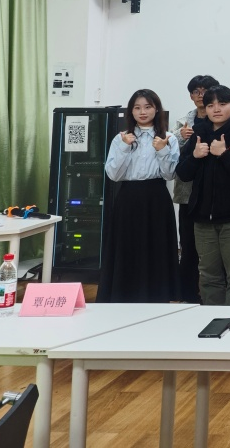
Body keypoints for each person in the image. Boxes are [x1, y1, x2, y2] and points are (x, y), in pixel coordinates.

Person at [175, 85, 230, 306]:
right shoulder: (198, 134)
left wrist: (224, 155)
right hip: (203, 218)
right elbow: (182, 174)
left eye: (222, 104)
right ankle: (212, 319)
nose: (217, 109)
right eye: (211, 105)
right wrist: (194, 156)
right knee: (208, 276)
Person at [99, 89, 179, 303]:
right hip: (128, 198)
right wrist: (125, 147)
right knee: (127, 248)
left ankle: (157, 297)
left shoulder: (169, 138)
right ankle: (122, 296)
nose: (142, 112)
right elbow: (113, 175)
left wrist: (162, 150)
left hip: (157, 198)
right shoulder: (121, 138)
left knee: (156, 248)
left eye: (148, 107)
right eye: (137, 107)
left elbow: (170, 174)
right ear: (131, 111)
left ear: (156, 109)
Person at [170, 74, 218, 303]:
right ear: (191, 96)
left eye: (205, 91)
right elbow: (170, 155)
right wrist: (180, 138)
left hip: (213, 193)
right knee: (188, 246)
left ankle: (214, 295)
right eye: (196, 91)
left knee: (212, 248)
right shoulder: (182, 123)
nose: (201, 95)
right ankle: (187, 294)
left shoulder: (219, 118)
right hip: (187, 193)